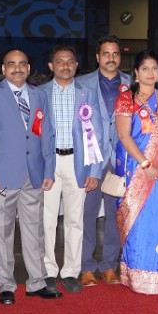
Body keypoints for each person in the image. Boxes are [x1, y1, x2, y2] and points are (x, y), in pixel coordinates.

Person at [0, 50, 58, 304]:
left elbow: (47, 134)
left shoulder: (39, 95)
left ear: (28, 67)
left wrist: (48, 170)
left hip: (33, 174)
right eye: (11, 65)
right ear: (3, 69)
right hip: (1, 176)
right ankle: (5, 285)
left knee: (34, 230)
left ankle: (37, 282)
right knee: (2, 233)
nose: (17, 68)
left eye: (22, 64)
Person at [115, 50, 158, 294]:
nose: (150, 73)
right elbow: (124, 136)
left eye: (154, 68)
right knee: (140, 220)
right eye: (144, 68)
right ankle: (138, 275)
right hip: (137, 170)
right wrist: (147, 165)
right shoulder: (127, 99)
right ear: (136, 73)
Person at [42, 45, 103, 293]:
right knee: (45, 220)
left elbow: (97, 132)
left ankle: (70, 271)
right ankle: (47, 270)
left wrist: (95, 171)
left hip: (78, 162)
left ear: (76, 65)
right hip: (49, 163)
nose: (65, 65)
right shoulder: (40, 93)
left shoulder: (87, 93)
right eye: (60, 61)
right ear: (51, 66)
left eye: (70, 61)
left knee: (75, 220)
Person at [77, 35, 131, 284]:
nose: (111, 58)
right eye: (106, 54)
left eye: (116, 54)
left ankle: (109, 264)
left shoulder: (132, 83)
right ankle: (86, 266)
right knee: (86, 215)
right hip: (91, 160)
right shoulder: (81, 84)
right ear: (98, 57)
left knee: (115, 215)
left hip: (120, 160)